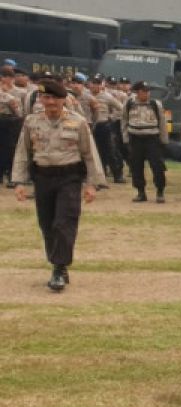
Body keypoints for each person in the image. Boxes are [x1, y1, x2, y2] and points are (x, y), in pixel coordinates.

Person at [11, 79, 106, 292]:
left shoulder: (78, 122)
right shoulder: (31, 122)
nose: (50, 101)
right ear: (41, 99)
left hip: (69, 177)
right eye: (46, 97)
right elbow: (22, 152)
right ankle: (58, 263)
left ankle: (59, 267)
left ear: (63, 100)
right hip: (43, 177)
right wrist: (18, 181)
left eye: (54, 97)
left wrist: (92, 184)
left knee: (64, 222)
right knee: (47, 224)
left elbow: (90, 154)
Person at [121, 81, 168, 204]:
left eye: (148, 91)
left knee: (157, 166)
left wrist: (164, 140)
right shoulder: (129, 104)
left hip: (152, 139)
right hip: (135, 139)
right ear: (138, 92)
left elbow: (162, 123)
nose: (147, 94)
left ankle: (160, 191)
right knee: (136, 167)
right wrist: (125, 139)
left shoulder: (155, 104)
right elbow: (124, 121)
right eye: (144, 91)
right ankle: (141, 192)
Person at [0, 66, 24, 188]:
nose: (6, 80)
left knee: (11, 149)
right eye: (3, 77)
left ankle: (11, 175)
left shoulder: (19, 91)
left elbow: (20, 108)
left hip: (12, 120)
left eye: (8, 77)